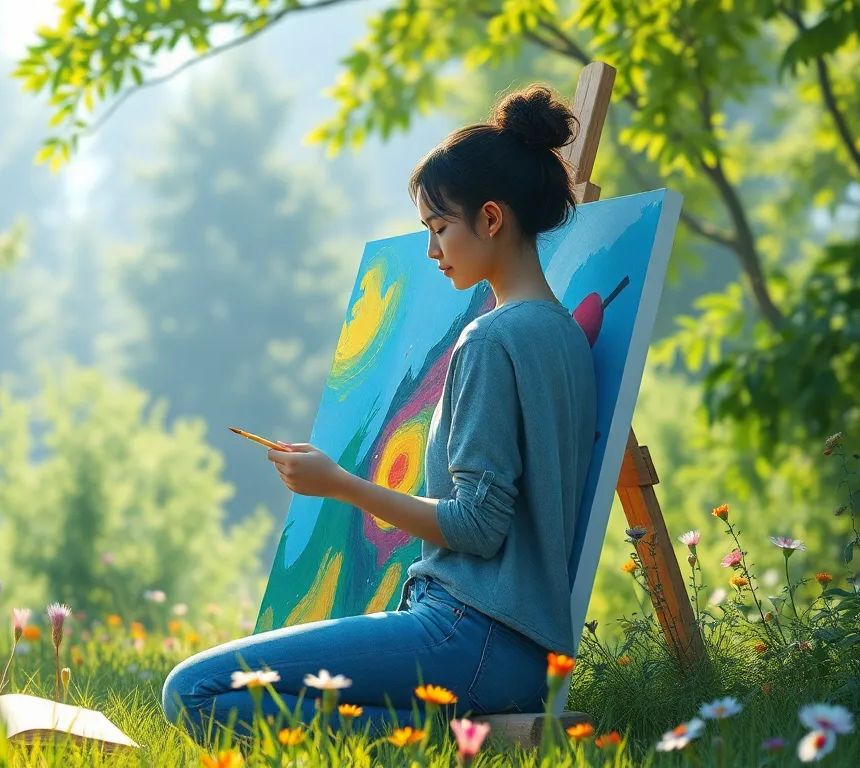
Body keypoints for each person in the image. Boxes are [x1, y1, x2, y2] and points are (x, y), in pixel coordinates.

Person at [160, 83, 599, 742]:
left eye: (439, 228)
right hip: (521, 650)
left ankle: (430, 746)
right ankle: (446, 742)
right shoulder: (564, 334)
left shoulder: (492, 339)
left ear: (490, 218)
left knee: (192, 691)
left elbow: (479, 527)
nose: (432, 250)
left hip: (471, 631)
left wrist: (337, 485)